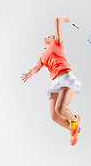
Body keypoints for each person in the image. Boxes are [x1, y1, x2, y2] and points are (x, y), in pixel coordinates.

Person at [20, 16, 82, 146]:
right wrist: (30, 73)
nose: (46, 37)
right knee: (54, 116)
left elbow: (56, 20)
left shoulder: (57, 43)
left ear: (53, 39)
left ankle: (75, 120)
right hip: (55, 83)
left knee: (60, 109)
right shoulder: (42, 56)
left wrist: (64, 20)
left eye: (49, 36)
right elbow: (37, 67)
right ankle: (73, 129)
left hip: (66, 78)